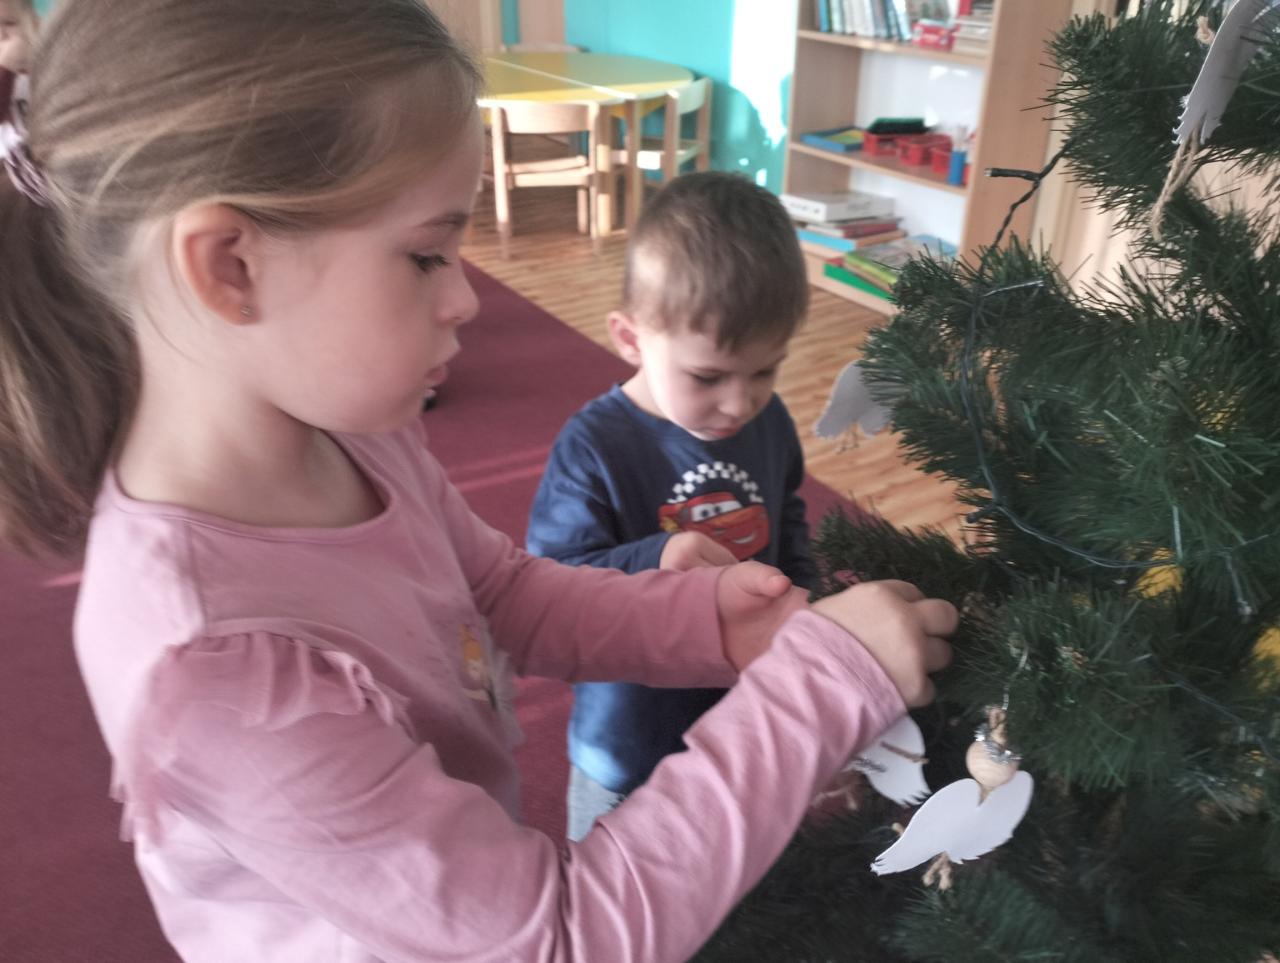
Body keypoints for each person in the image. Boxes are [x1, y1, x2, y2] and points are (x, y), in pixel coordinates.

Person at [0, 2, 956, 961]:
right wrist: (816, 688)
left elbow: (497, 591)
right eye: (426, 255)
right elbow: (565, 937)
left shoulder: (357, 437)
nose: (465, 296)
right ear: (230, 266)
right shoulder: (216, 674)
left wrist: (707, 622)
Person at [527, 170, 822, 841]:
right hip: (630, 733)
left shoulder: (769, 420)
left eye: (766, 370)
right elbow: (548, 587)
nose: (740, 402)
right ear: (631, 338)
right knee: (610, 885)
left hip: (741, 716)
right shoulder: (594, 446)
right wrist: (657, 557)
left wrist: (805, 606)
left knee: (739, 861)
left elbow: (787, 515)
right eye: (707, 376)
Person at [0, 0, 37, 165]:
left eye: (10, 23)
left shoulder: (45, 60)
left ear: (33, 23)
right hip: (12, 164)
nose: (1, 35)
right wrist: (5, 69)